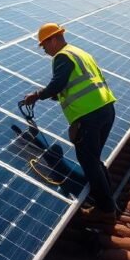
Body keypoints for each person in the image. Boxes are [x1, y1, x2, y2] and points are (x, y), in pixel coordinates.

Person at [21, 22, 118, 218]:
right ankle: (109, 196)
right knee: (94, 158)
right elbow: (79, 81)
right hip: (106, 108)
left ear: (53, 39)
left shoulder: (62, 56)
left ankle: (106, 209)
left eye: (44, 46)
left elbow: (57, 83)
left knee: (88, 161)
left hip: (89, 115)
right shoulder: (80, 53)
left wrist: (37, 95)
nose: (45, 50)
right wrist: (60, 94)